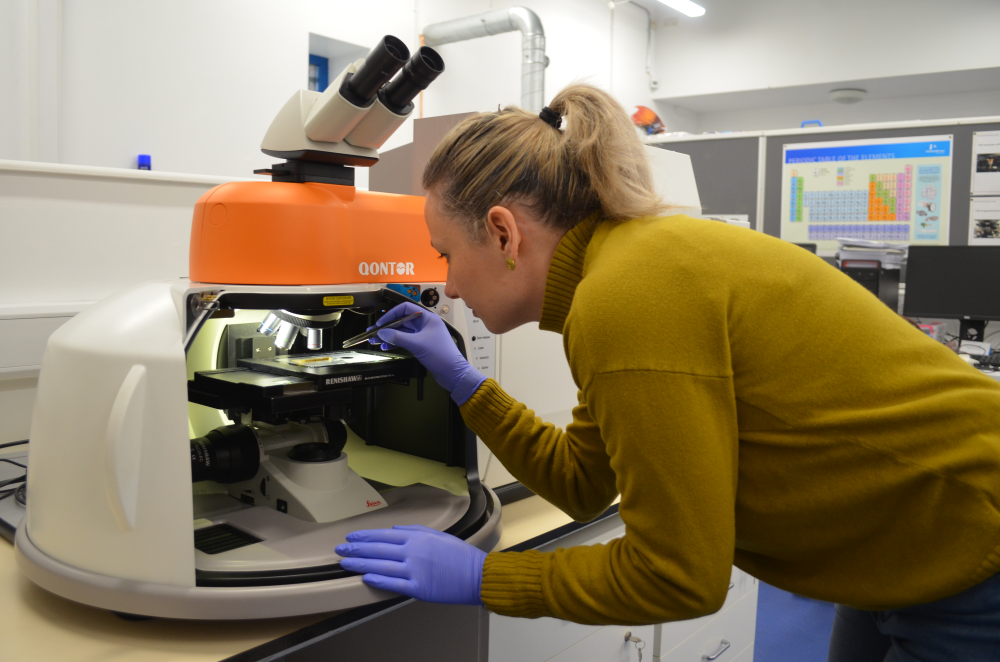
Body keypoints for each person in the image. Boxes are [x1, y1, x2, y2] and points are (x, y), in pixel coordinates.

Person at [335, 84, 1000, 661]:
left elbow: (678, 576)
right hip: (903, 537)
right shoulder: (624, 268)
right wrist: (464, 382)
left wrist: (486, 580)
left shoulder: (626, 299)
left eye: (446, 254)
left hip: (973, 545)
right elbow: (584, 481)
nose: (446, 285)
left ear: (504, 234)